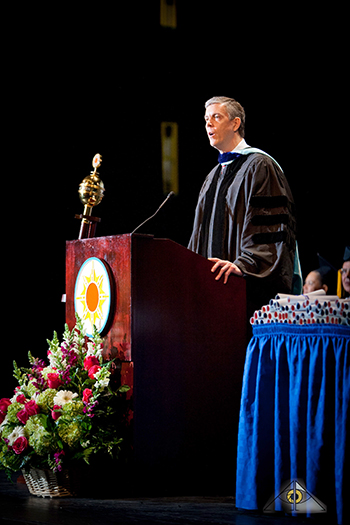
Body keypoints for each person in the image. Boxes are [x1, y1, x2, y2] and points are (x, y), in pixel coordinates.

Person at [188, 96, 296, 318]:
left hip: (246, 292)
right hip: (211, 292)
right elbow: (198, 236)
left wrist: (244, 265)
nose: (208, 124)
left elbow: (268, 230)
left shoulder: (260, 166)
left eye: (216, 117)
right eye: (206, 119)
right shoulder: (212, 177)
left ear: (235, 124)